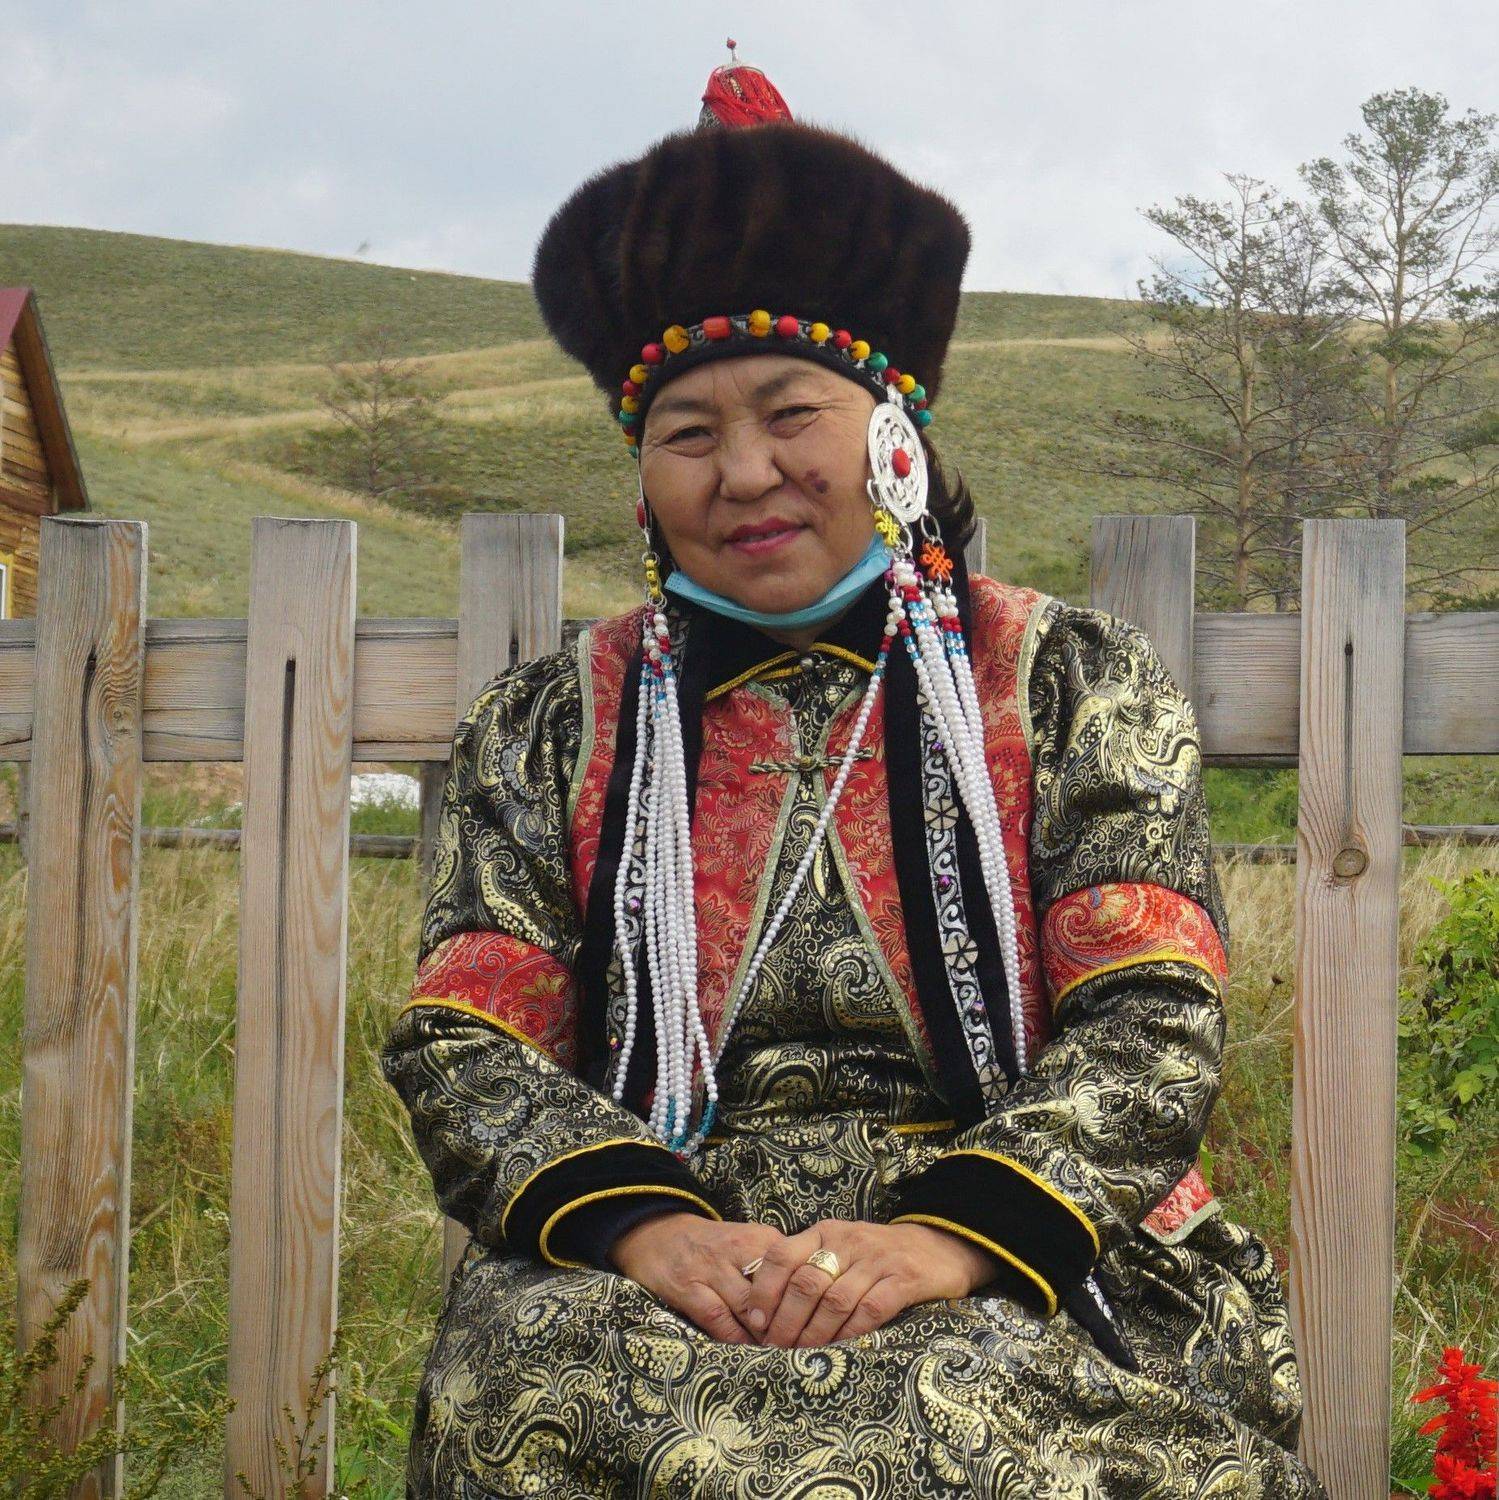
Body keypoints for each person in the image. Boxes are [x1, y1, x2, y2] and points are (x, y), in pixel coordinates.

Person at [382, 49, 1326, 1499]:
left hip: (1019, 1237)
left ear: (896, 437)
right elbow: (469, 1038)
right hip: (670, 1241)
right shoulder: (552, 725)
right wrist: (651, 1230)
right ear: (644, 479)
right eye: (687, 434)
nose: (743, 473)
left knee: (960, 1406)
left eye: (789, 415)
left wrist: (942, 1239)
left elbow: (1151, 1012)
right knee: (535, 1379)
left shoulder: (1067, 681)